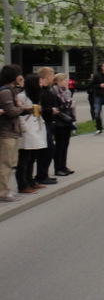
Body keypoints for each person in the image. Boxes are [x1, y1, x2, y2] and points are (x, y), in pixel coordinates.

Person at [1, 65, 32, 202]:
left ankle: (6, 189)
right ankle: (3, 191)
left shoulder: (12, 91)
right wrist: (20, 107)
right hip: (6, 131)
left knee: (11, 162)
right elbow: (11, 112)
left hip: (13, 131)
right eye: (19, 74)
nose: (21, 77)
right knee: (5, 163)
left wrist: (24, 108)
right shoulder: (5, 92)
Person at [16, 74, 47, 194]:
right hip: (26, 127)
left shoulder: (36, 95)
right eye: (38, 83)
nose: (40, 85)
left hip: (36, 125)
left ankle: (31, 180)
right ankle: (22, 184)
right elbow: (19, 112)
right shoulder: (21, 96)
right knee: (25, 158)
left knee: (33, 156)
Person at [52, 73, 76, 176]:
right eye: (64, 80)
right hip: (59, 121)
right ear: (58, 81)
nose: (66, 82)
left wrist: (72, 118)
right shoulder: (54, 91)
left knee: (65, 144)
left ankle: (64, 166)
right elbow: (56, 108)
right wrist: (66, 118)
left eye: (66, 80)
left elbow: (71, 105)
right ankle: (58, 168)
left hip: (68, 120)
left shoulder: (67, 91)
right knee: (59, 145)